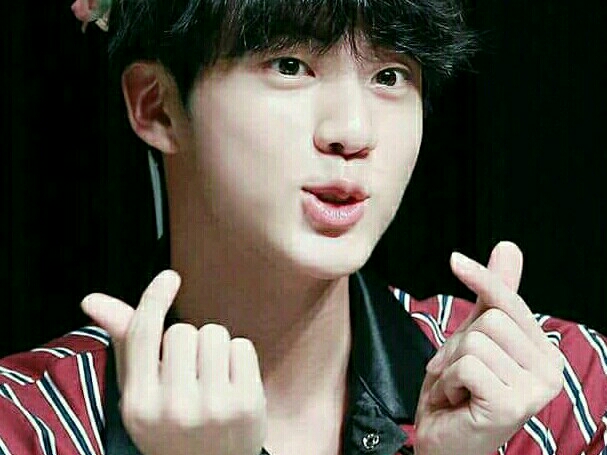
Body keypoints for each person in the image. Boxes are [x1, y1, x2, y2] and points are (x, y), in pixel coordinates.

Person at [1, 1, 605, 454]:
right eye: (290, 66)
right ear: (156, 106)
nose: (353, 132)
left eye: (390, 75)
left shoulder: (558, 393)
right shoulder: (28, 427)